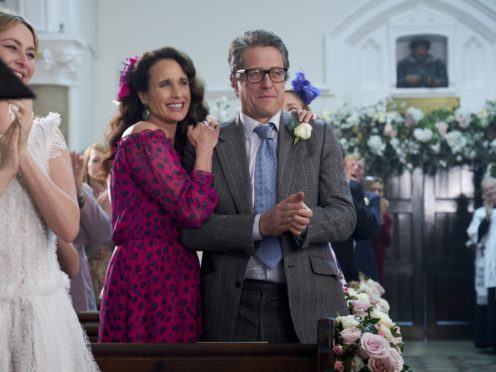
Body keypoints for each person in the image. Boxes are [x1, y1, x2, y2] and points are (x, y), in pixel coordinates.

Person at [182, 29, 356, 344]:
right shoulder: (208, 142)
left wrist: (306, 220)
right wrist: (260, 225)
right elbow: (193, 230)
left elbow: (345, 215)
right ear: (235, 81)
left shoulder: (317, 135)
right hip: (232, 299)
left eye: (276, 73)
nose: (267, 82)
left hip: (307, 296)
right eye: (254, 73)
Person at [98, 47, 220, 343]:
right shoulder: (144, 136)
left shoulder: (169, 141)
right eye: (165, 84)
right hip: (148, 273)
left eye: (182, 82)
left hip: (175, 270)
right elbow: (192, 211)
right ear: (142, 95)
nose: (178, 93)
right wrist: (205, 151)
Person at [0, 8, 98, 371]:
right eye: (11, 47)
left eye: (30, 53)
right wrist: (6, 165)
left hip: (42, 315)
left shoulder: (47, 135)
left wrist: (22, 152)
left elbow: (69, 227)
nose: (22, 61)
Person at [68, 147, 113, 311]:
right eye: (95, 160)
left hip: (78, 279)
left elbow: (104, 232)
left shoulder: (84, 191)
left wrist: (78, 190)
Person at [467, 175, 496, 351]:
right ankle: (488, 340)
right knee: (488, 303)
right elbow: (475, 236)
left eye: (493, 188)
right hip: (487, 263)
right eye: (487, 190)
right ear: (482, 194)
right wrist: (487, 216)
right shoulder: (479, 213)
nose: (491, 192)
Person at [344, 153, 381, 282]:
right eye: (352, 165)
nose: (355, 168)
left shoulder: (372, 197)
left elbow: (374, 226)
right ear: (344, 169)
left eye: (360, 167)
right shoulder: (333, 192)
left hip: (364, 260)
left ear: (363, 174)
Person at [364, 176, 393, 284]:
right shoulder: (361, 210)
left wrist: (380, 215)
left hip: (376, 259)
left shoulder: (386, 217)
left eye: (379, 190)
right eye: (373, 190)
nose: (377, 193)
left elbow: (386, 242)